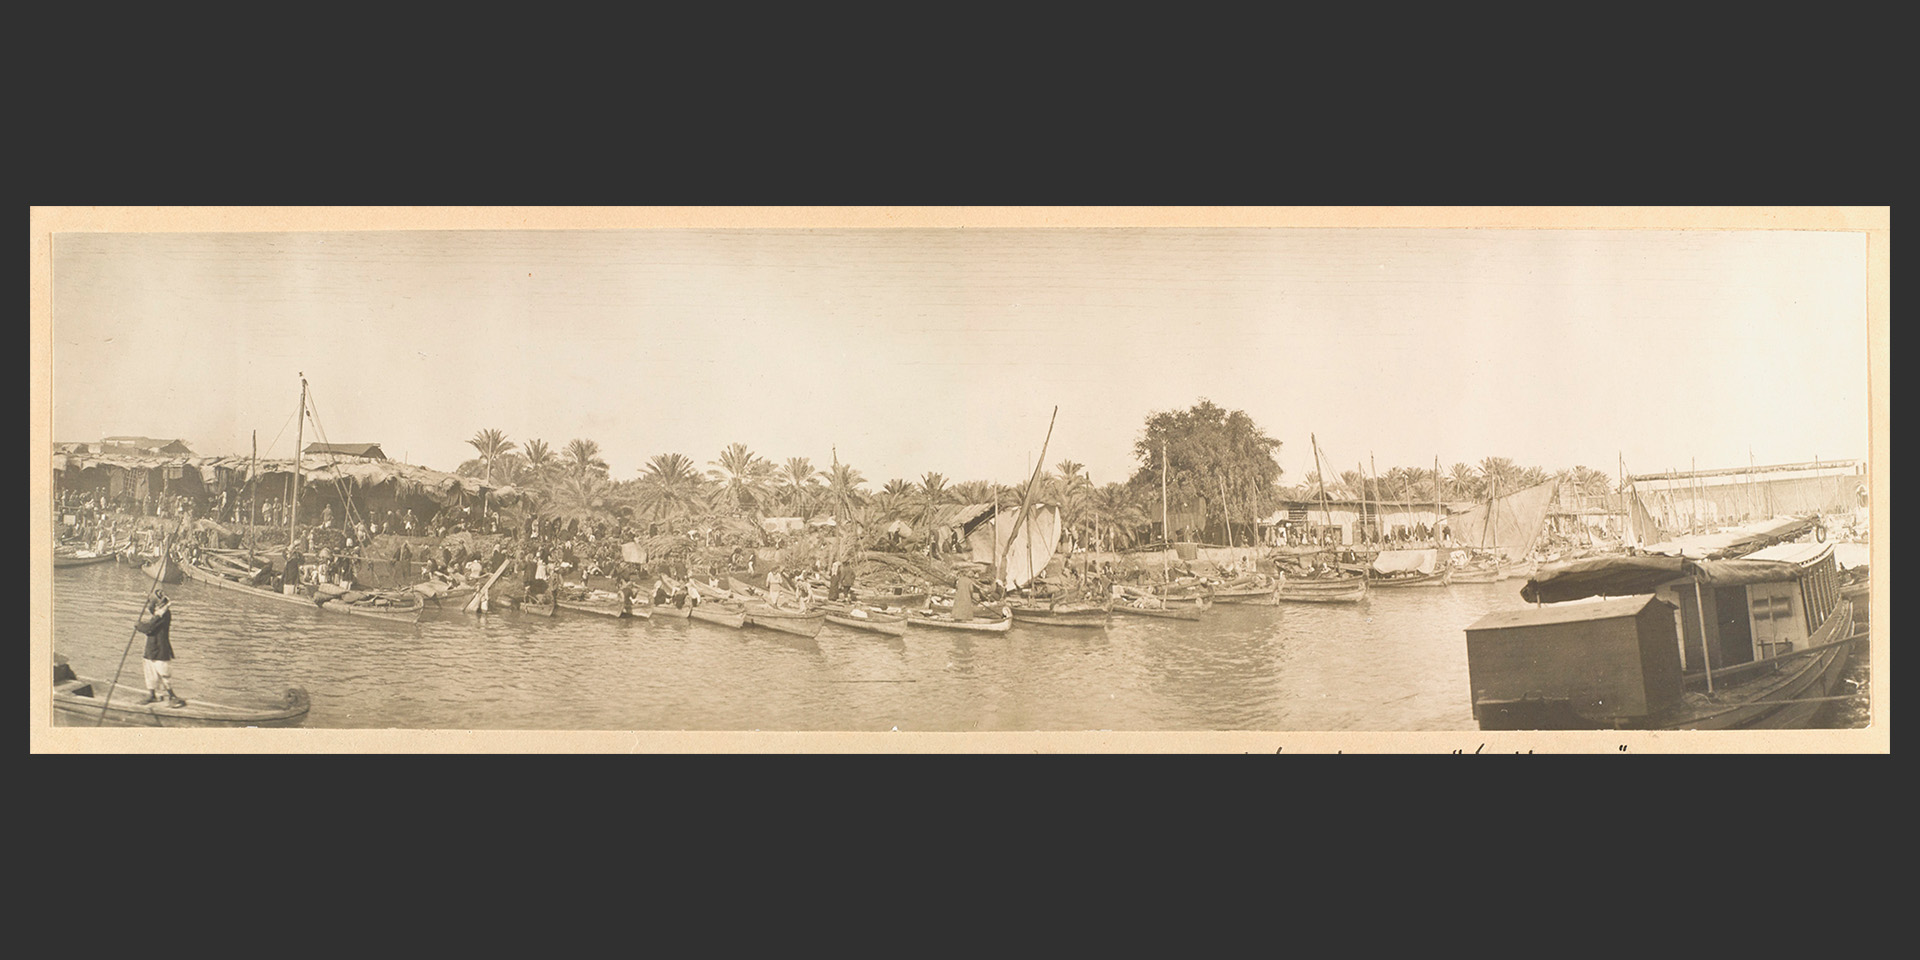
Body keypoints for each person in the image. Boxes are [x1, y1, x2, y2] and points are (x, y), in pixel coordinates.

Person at [134, 592, 187, 707]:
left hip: (160, 650)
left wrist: (138, 625)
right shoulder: (158, 614)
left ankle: (172, 696)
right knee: (150, 672)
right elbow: (151, 622)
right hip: (151, 649)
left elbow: (149, 628)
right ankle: (152, 695)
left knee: (164, 673)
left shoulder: (163, 614)